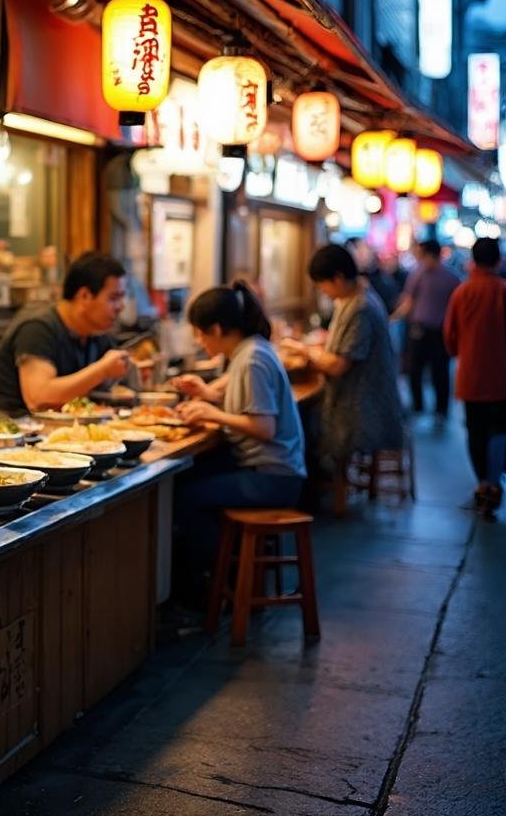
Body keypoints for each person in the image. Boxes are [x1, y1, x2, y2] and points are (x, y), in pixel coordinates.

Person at [169, 282, 306, 601]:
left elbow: (263, 427)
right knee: (189, 478)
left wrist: (211, 414)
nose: (199, 341)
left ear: (216, 328)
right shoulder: (251, 349)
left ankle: (222, 581)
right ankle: (218, 579)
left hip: (274, 478)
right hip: (274, 471)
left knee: (183, 498)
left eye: (200, 333)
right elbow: (238, 394)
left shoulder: (252, 359)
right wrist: (206, 395)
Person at [298, 245, 403, 471]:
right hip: (364, 399)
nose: (322, 291)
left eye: (321, 284)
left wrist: (305, 351)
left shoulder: (360, 308)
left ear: (338, 278)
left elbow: (338, 366)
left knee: (302, 426)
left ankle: (321, 491)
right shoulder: (354, 297)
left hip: (363, 409)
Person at [0, 251, 131, 413]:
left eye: (121, 298)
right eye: (113, 298)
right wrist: (102, 370)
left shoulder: (96, 332)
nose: (121, 307)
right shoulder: (38, 328)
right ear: (84, 296)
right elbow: (38, 399)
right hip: (14, 429)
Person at [443, 237, 506, 513]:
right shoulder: (503, 290)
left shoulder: (462, 292)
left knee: (475, 431)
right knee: (499, 429)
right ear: (498, 261)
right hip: (502, 377)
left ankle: (482, 484)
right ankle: (494, 482)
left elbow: (449, 335)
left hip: (470, 376)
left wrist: (462, 354)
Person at [392, 239, 460, 424]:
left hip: (440, 332)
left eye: (422, 255)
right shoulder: (418, 273)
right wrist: (393, 318)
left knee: (441, 372)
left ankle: (441, 410)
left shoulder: (451, 278)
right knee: (415, 369)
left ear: (431, 255)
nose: (420, 258)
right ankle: (418, 406)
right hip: (419, 329)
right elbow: (408, 301)